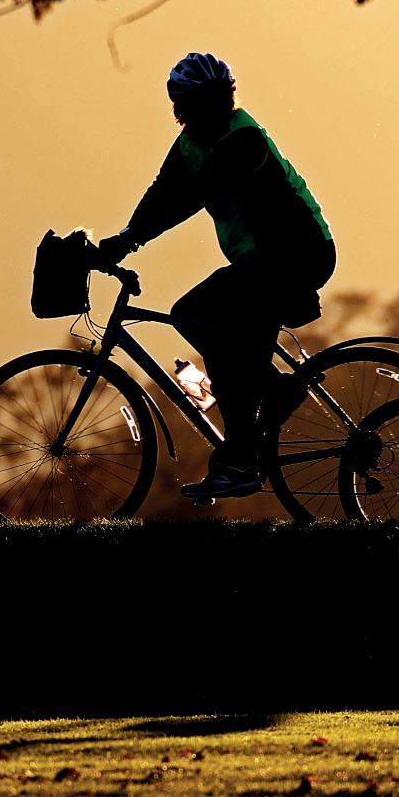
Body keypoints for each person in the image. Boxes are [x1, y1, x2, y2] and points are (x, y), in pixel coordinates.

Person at [94, 50, 335, 504]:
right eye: (205, 100)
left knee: (218, 342)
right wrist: (124, 237)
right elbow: (164, 192)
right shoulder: (191, 143)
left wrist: (129, 241)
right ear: (184, 108)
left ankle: (244, 457)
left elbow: (191, 195)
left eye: (222, 96)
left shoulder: (243, 139)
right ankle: (269, 399)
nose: (219, 106)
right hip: (260, 263)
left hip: (297, 256)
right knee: (202, 325)